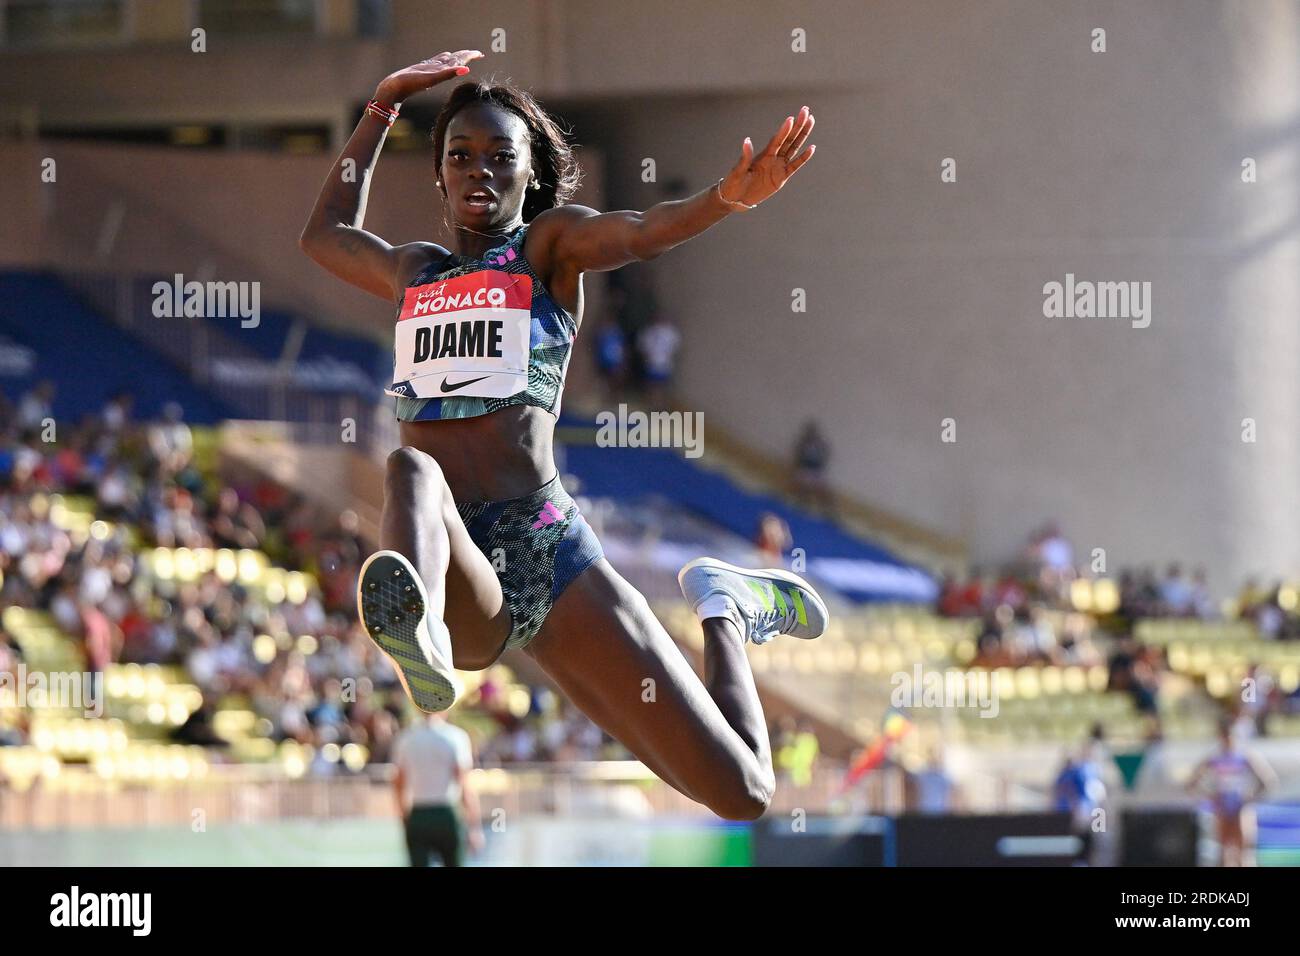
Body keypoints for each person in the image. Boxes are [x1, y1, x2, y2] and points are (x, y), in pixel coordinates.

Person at [300, 50, 825, 820]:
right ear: (440, 176)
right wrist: (381, 106)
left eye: (499, 158)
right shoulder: (416, 271)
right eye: (459, 156)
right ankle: (425, 639)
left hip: (548, 553)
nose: (478, 171)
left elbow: (642, 231)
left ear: (528, 175)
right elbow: (325, 233)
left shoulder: (547, 248)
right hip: (456, 563)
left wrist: (724, 200)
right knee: (412, 472)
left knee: (742, 792)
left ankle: (725, 609)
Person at [392, 711, 481, 866]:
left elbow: (398, 783)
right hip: (446, 813)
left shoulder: (406, 738)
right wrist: (474, 827)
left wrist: (404, 815)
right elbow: (465, 785)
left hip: (418, 813)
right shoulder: (456, 737)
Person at [1186, 717, 1277, 867]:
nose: (1228, 739)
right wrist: (1210, 797)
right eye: (1225, 735)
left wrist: (1250, 797)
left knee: (1243, 853)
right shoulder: (1215, 757)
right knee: (1224, 853)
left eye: (1231, 735)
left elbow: (1268, 780)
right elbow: (1191, 783)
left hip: (1240, 805)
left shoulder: (1245, 756)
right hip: (1222, 806)